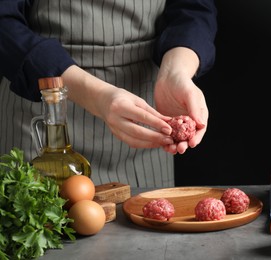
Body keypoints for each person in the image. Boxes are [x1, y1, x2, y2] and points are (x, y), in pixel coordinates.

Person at [0, 0, 217, 187]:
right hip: (45, 112)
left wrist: (175, 71)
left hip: (146, 120)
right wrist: (97, 96)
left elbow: (193, 8)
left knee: (146, 230)